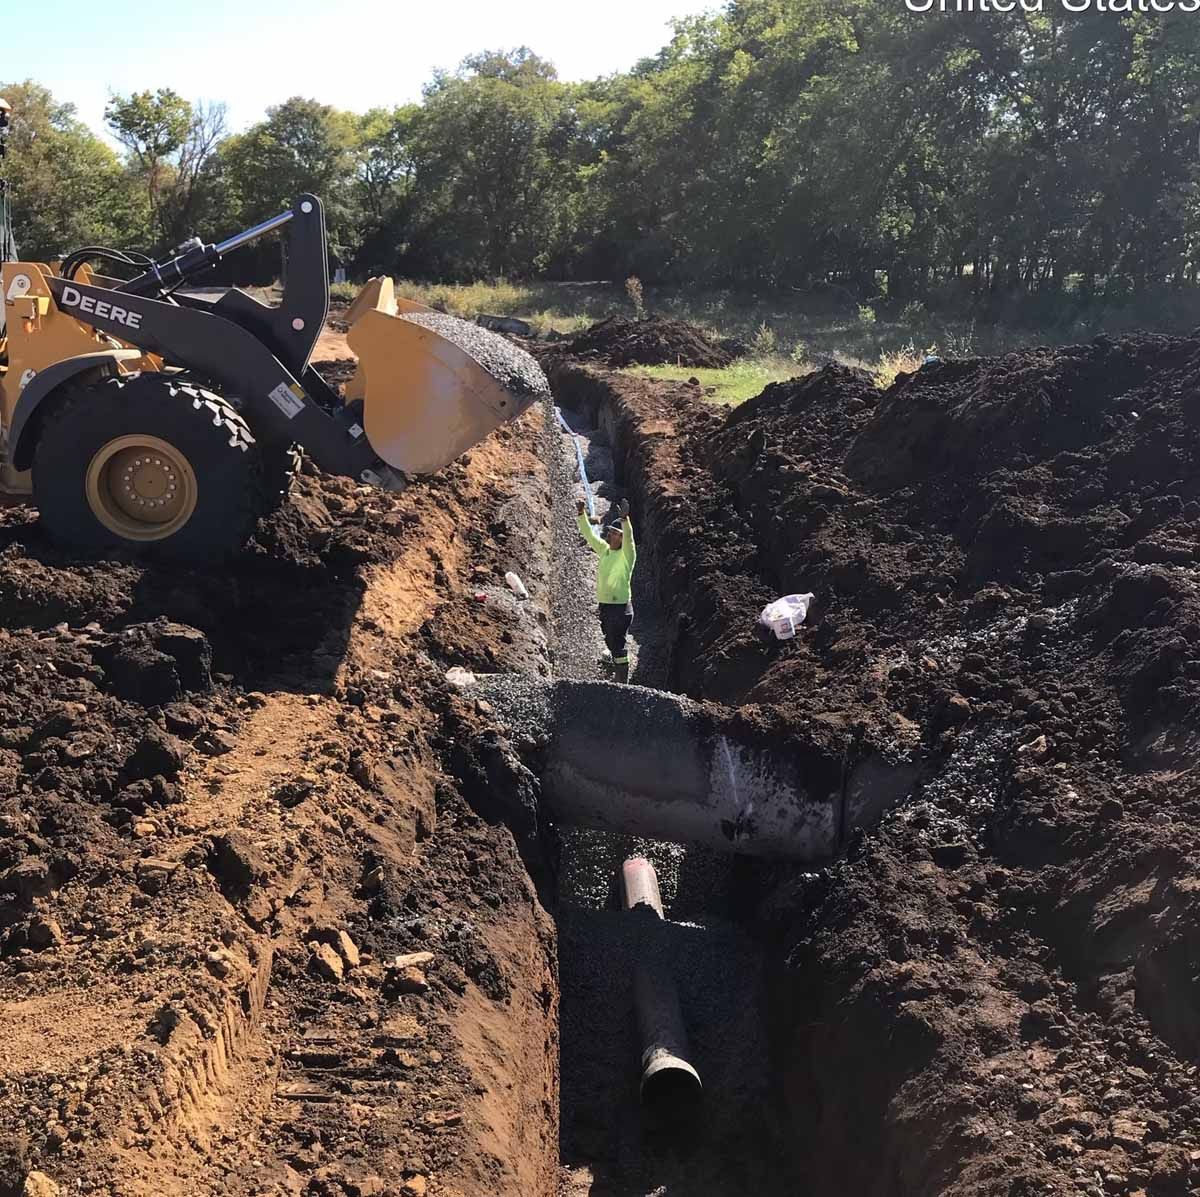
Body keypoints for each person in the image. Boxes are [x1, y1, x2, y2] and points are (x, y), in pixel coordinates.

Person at [576, 496, 636, 683]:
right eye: (610, 532)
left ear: (622, 537)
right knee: (610, 640)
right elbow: (589, 535)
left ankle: (622, 680)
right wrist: (581, 515)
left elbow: (630, 540)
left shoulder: (627, 555)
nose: (609, 535)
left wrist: (625, 520)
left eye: (615, 533)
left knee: (617, 643)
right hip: (606, 606)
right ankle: (617, 668)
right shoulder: (604, 550)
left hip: (620, 607)